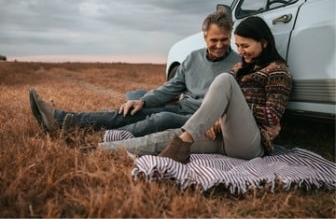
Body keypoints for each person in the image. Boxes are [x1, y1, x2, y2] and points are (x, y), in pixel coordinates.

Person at [100, 16, 293, 163]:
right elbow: (220, 100)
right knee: (168, 138)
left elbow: (272, 117)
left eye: (245, 46)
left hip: (250, 144)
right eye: (238, 46)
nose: (240, 51)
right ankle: (102, 148)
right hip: (224, 136)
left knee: (224, 80)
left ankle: (186, 137)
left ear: (264, 42)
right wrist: (215, 117)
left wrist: (227, 112)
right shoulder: (240, 67)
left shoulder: (277, 71)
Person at [29, 9, 240, 139]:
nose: (219, 45)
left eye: (224, 39)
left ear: (230, 36)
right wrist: (143, 101)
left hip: (203, 117)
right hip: (183, 107)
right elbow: (172, 87)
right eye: (214, 40)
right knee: (131, 111)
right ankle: (62, 118)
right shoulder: (193, 58)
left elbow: (238, 102)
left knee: (161, 118)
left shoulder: (238, 64)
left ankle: (102, 137)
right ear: (205, 37)